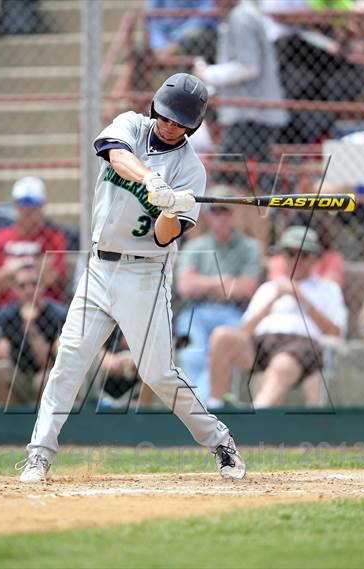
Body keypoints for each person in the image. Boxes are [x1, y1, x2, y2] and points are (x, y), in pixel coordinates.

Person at [17, 73, 246, 483]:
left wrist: (172, 207)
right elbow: (115, 154)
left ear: (192, 126)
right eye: (165, 114)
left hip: (143, 274)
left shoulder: (191, 172)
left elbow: (163, 238)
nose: (168, 124)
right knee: (68, 361)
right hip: (98, 268)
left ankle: (219, 441)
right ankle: (39, 454)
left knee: (157, 373)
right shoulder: (132, 125)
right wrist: (151, 180)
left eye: (179, 122)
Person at [208, 226, 348, 408]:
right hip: (263, 342)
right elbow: (245, 330)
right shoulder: (268, 288)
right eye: (290, 254)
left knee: (280, 365)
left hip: (302, 344)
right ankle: (215, 410)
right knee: (221, 336)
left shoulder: (328, 289)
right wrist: (273, 300)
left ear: (314, 259)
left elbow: (335, 331)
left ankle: (256, 416)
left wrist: (301, 299)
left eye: (303, 255)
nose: (297, 261)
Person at [175, 184, 262, 403]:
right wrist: (222, 282)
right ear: (207, 216)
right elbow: (185, 286)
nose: (221, 216)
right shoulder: (194, 247)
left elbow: (247, 288)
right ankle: (206, 408)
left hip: (232, 312)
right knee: (192, 355)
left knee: (220, 355)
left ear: (235, 213)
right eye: (215, 210)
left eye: (226, 210)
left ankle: (205, 409)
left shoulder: (250, 247)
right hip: (196, 312)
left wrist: (203, 284)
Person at [193, 0, 289, 191]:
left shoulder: (242, 16)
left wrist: (206, 74)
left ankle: (279, 212)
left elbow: (249, 67)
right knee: (252, 178)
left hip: (252, 115)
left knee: (228, 176)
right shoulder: (239, 14)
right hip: (249, 113)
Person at [0, 177, 68, 308]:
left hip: (44, 305)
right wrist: (35, 268)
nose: (27, 209)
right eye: (22, 202)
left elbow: (52, 277)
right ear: (15, 205)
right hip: (8, 306)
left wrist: (9, 273)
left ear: (42, 206)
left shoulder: (54, 238)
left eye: (33, 202)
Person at [0, 264, 67, 405]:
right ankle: (7, 422)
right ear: (14, 289)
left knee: (45, 379)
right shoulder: (4, 316)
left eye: (34, 284)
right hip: (18, 374)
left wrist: (30, 328)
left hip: (45, 373)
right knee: (2, 371)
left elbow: (50, 363)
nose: (29, 290)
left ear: (43, 285)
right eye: (22, 286)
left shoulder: (59, 315)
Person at [132, 0, 218, 90]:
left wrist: (176, 42)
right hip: (164, 45)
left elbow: (206, 14)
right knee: (137, 51)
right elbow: (152, 19)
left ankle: (185, 92)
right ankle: (142, 99)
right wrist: (160, 47)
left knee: (194, 37)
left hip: (192, 40)